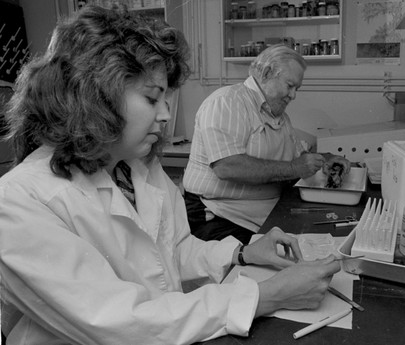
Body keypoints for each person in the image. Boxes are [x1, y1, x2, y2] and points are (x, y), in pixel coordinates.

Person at [0, 6, 342, 345]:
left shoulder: (134, 167)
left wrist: (242, 254)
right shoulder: (19, 202)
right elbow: (120, 323)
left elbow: (172, 254)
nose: (165, 114)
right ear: (93, 95)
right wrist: (267, 296)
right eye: (152, 98)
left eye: (166, 97)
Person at [183, 44, 350, 244]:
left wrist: (326, 160)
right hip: (220, 216)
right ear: (267, 73)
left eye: (297, 88)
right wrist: (293, 168)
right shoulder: (227, 102)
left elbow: (298, 157)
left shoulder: (280, 116)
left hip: (262, 213)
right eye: (290, 85)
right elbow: (227, 166)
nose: (294, 95)